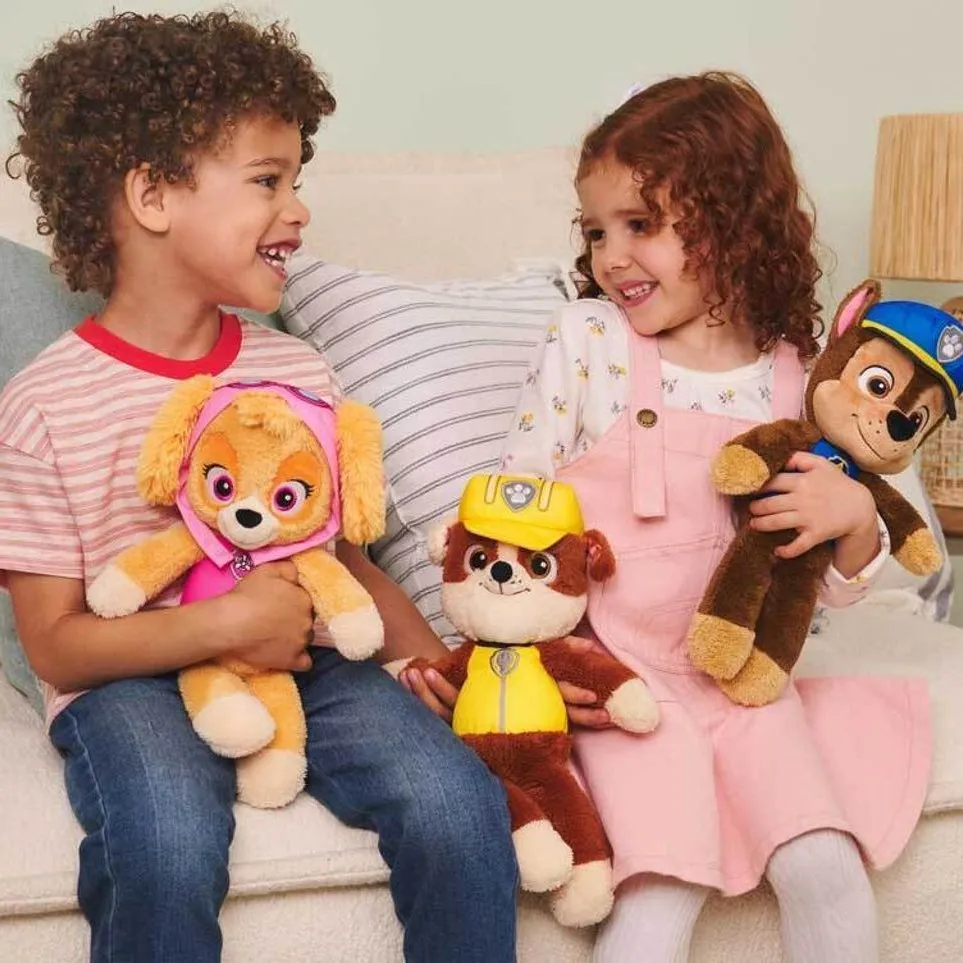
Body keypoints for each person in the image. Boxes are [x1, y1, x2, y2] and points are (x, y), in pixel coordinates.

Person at [0, 13, 520, 963]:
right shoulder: (43, 405)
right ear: (153, 195)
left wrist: (437, 668)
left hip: (306, 663)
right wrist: (227, 623)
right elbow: (55, 644)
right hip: (127, 684)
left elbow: (346, 561)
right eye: (267, 181)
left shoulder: (294, 372)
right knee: (164, 842)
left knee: (456, 803)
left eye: (296, 180)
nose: (298, 210)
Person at [406, 72, 931, 962]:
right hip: (624, 690)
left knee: (825, 865)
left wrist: (848, 516)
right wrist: (510, 657)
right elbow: (516, 510)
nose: (611, 257)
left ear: (732, 219)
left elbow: (829, 587)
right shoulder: (589, 341)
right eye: (595, 231)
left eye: (640, 224)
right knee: (663, 887)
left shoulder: (798, 373)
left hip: (747, 684)